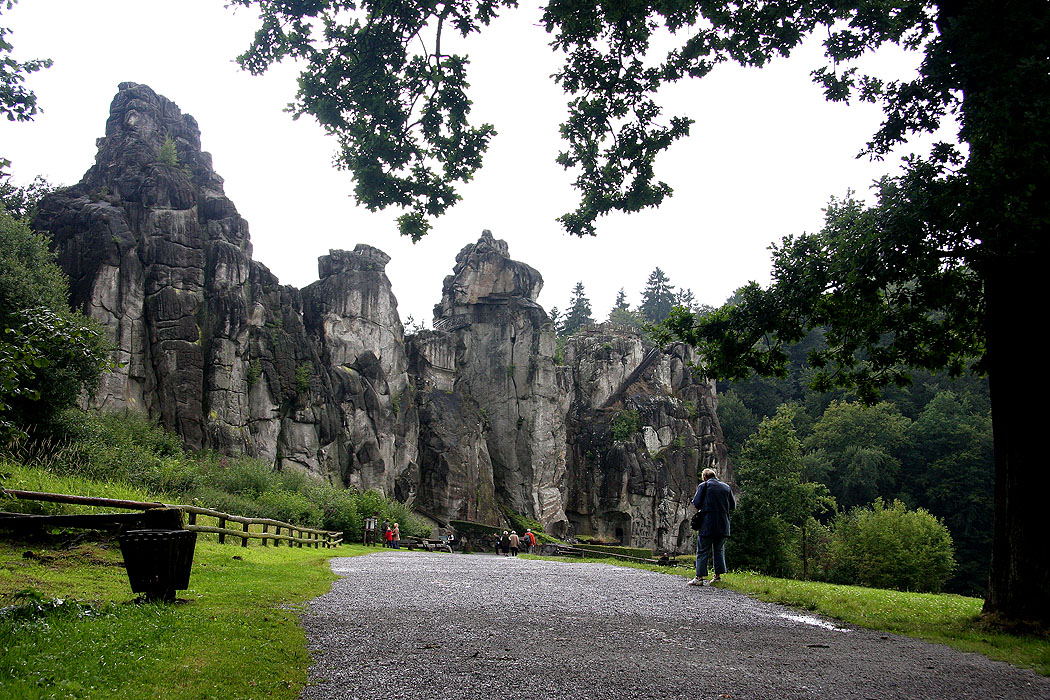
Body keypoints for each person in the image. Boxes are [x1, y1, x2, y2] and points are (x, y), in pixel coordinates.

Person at [687, 468, 735, 587]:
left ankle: (699, 577)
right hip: (723, 523)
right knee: (719, 550)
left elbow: (697, 503)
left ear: (704, 477)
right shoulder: (726, 487)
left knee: (703, 550)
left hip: (708, 523)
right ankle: (717, 576)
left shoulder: (704, 486)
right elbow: (733, 506)